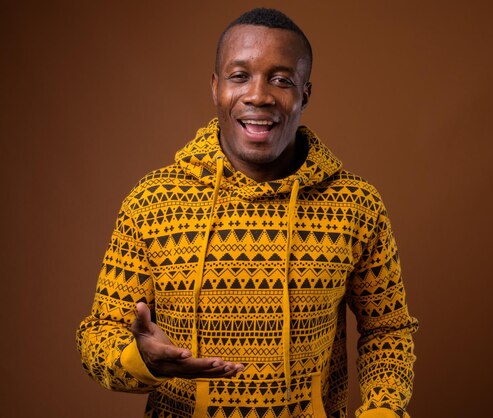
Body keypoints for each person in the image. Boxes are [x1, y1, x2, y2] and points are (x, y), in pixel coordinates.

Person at [77, 8, 418, 418]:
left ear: (304, 95)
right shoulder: (153, 201)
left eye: (281, 79)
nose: (259, 95)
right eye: (240, 76)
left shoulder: (355, 206)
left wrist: (382, 410)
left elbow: (388, 331)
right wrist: (141, 360)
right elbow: (99, 336)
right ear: (216, 86)